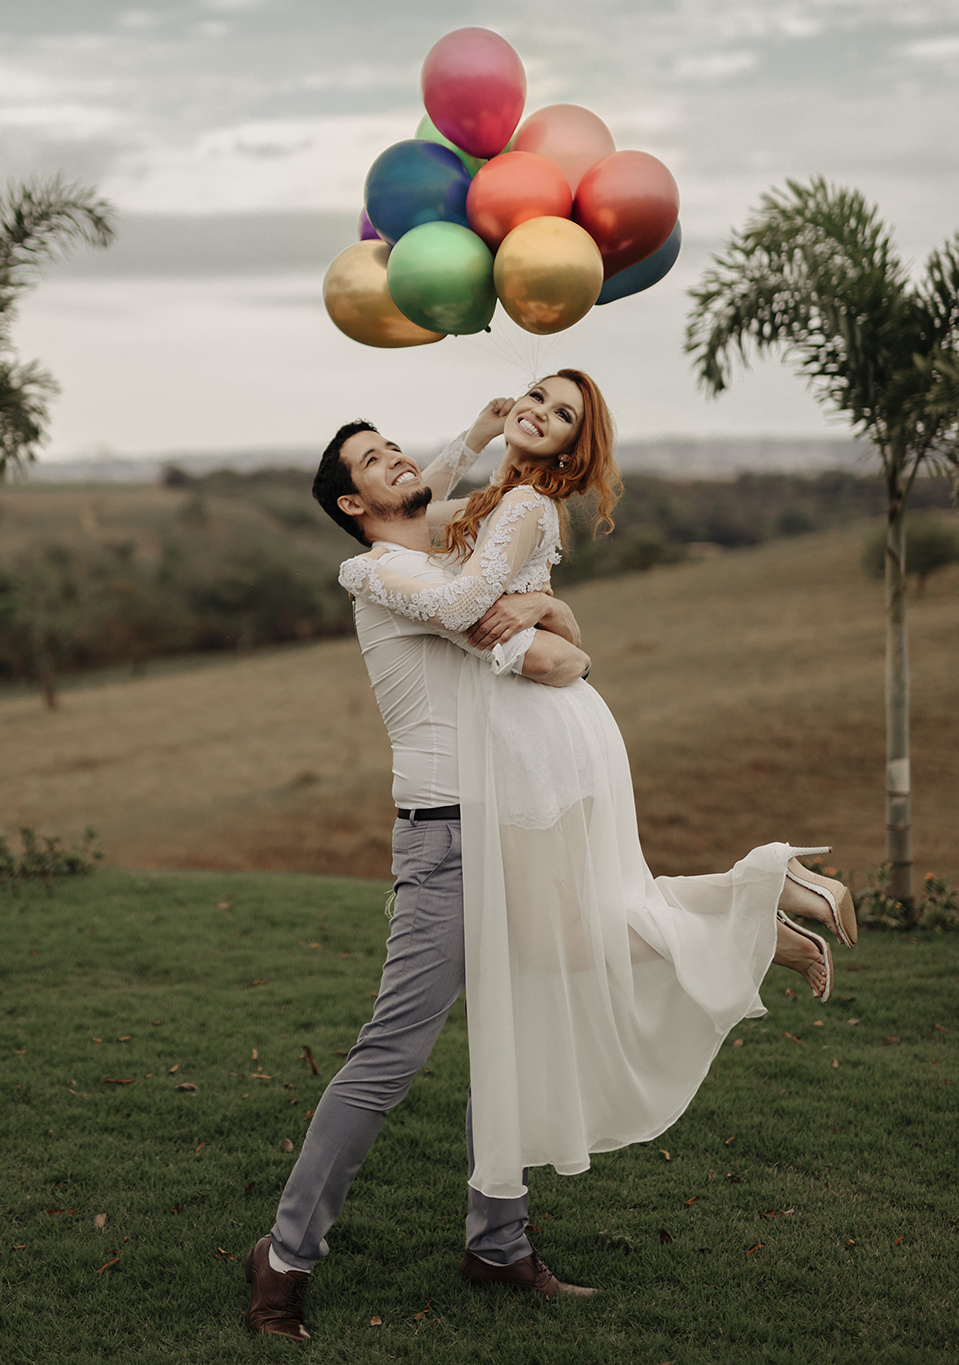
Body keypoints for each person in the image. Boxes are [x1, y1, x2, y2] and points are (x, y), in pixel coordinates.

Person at [338, 370, 858, 1204]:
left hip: (534, 731)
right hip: (536, 724)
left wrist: (541, 612)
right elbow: (407, 516)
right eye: (536, 397)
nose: (539, 413)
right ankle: (762, 906)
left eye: (562, 415)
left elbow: (465, 596)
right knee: (580, 923)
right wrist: (473, 439)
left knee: (565, 935)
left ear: (573, 447)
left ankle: (762, 903)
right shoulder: (493, 501)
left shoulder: (522, 507)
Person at [245, 405, 597, 1343]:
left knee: (510, 1042)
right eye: (373, 460)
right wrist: (560, 630)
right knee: (389, 1058)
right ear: (352, 502)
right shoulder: (384, 571)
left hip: (505, 823)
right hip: (442, 836)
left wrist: (473, 443)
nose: (399, 457)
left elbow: (433, 494)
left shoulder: (433, 551)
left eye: (395, 444)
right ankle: (281, 1259)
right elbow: (503, 632)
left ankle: (498, 1242)